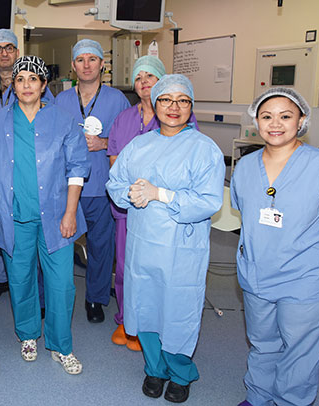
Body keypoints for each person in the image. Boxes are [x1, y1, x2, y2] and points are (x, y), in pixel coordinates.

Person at [0, 56, 90, 375]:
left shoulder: (63, 121)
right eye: (19, 79)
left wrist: (70, 212)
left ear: (43, 85)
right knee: (20, 280)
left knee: (62, 285)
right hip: (13, 217)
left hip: (56, 218)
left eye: (32, 79)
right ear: (13, 84)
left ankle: (61, 346)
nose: (25, 85)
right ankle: (28, 335)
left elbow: (78, 168)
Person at [106, 74, 224, 403]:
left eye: (182, 101)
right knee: (145, 306)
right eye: (166, 100)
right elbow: (114, 184)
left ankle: (181, 372)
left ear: (191, 106)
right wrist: (130, 194)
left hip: (182, 246)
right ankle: (154, 368)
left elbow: (209, 201)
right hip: (143, 244)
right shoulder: (138, 146)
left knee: (178, 309)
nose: (174, 107)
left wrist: (163, 195)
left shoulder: (205, 149)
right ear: (154, 104)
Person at [231, 88, 319, 406]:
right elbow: (242, 212)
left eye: (286, 116)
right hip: (256, 273)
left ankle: (290, 401)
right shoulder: (245, 167)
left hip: (306, 277)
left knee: (300, 350)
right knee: (263, 343)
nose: (275, 124)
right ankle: (258, 396)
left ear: (301, 121)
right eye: (266, 116)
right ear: (256, 122)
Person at [107, 55, 198, 350]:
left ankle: (157, 325)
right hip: (131, 207)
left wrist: (158, 193)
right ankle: (127, 320)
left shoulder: (183, 120)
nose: (144, 82)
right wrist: (134, 192)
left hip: (170, 212)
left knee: (164, 272)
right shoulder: (124, 119)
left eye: (151, 76)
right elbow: (116, 162)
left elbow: (188, 164)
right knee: (126, 266)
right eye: (138, 77)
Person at [55, 39, 129, 324]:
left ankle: (96, 299)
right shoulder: (60, 101)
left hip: (101, 186)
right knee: (61, 247)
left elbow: (128, 142)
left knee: (101, 247)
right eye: (81, 60)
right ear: (73, 66)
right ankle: (59, 297)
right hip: (66, 189)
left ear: (102, 65)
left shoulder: (117, 100)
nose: (86, 65)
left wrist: (104, 143)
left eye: (92, 59)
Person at [0, 29, 51, 305]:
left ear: (17, 52)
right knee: (0, 226)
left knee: (30, 235)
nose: (4, 53)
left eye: (9, 48)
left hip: (25, 168)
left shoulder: (37, 88)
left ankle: (37, 294)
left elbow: (47, 127)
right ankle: (0, 279)